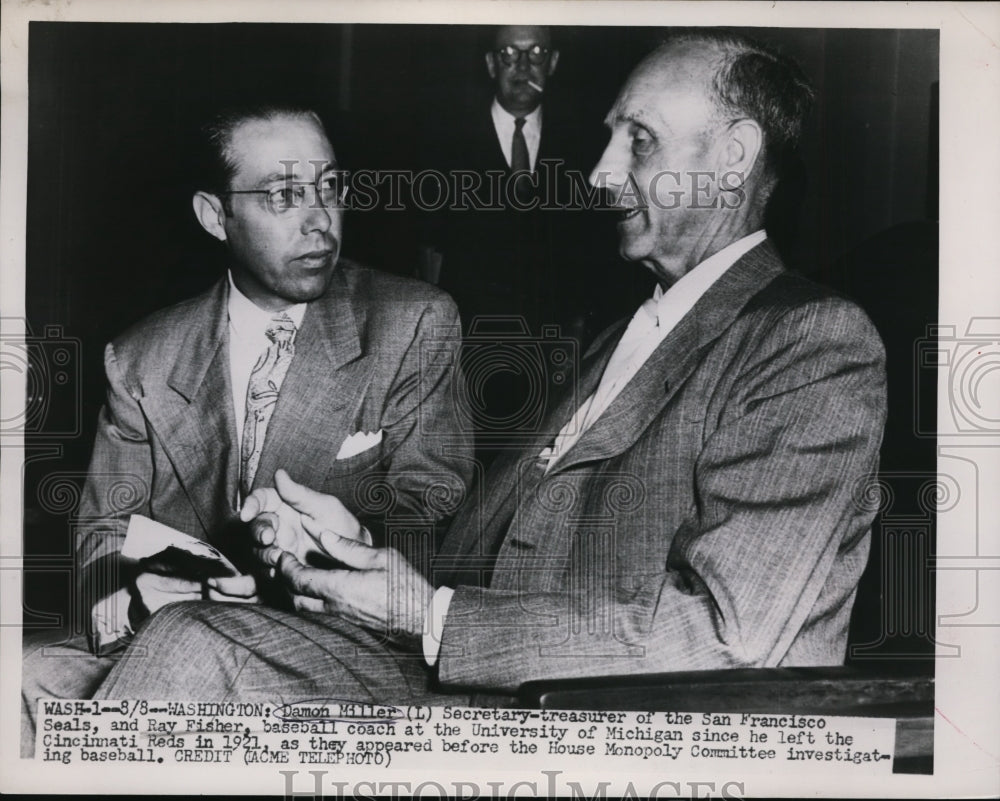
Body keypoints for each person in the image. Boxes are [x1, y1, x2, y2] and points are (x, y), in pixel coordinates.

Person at [93, 32, 887, 705]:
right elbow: (492, 558)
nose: (602, 173)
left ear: (734, 156)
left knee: (192, 650)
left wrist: (432, 616)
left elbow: (730, 635)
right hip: (489, 680)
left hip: (598, 715)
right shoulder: (627, 334)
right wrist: (354, 545)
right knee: (157, 649)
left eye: (637, 139)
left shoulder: (811, 342)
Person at [22, 104, 472, 750]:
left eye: (330, 188)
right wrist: (135, 591)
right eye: (285, 195)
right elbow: (103, 531)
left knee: (184, 655)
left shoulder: (411, 322)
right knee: (19, 676)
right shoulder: (143, 356)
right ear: (214, 216)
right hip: (175, 628)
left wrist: (346, 539)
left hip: (342, 645)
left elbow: (439, 520)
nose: (320, 220)